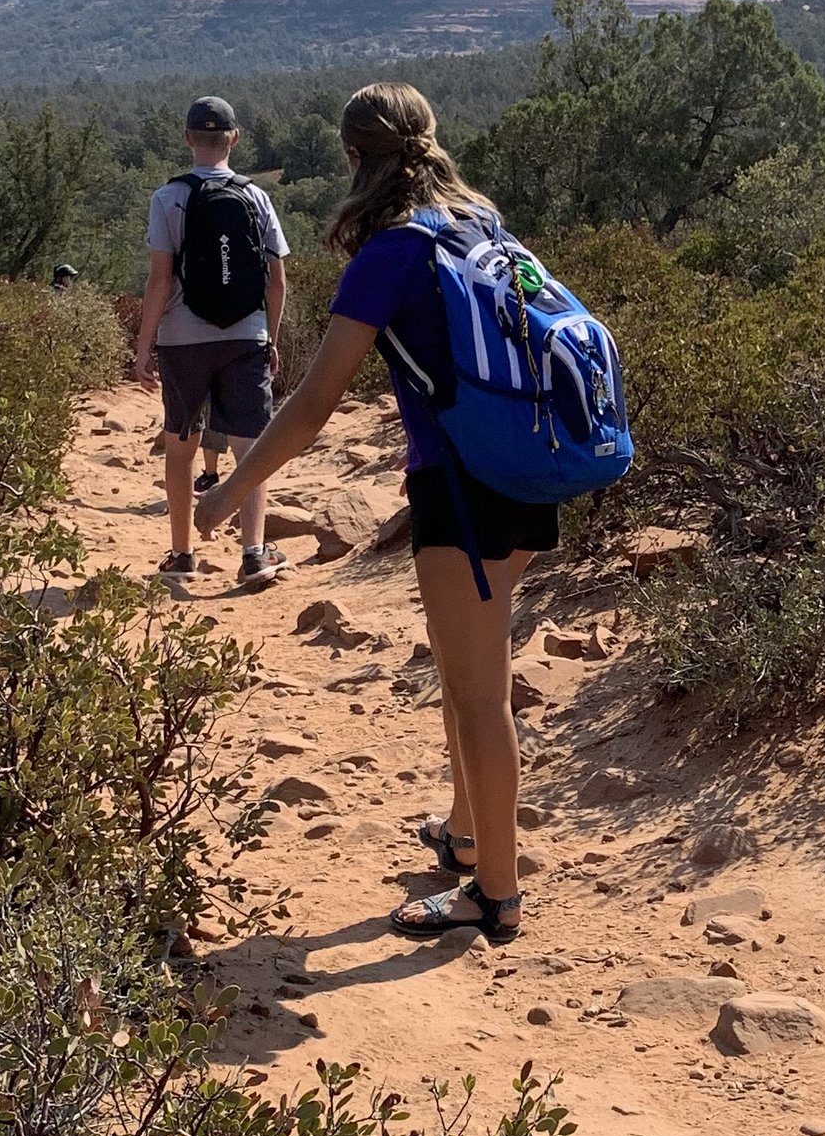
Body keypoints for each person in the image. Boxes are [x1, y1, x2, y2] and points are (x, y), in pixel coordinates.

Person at [196, 82, 543, 943]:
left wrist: (231, 493)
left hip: (461, 488)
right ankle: (466, 836)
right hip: (520, 473)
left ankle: (494, 894)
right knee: (471, 674)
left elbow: (313, 403)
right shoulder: (482, 222)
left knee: (478, 692)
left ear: (355, 156)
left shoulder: (389, 253)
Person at [129, 95, 291, 588]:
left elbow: (159, 280)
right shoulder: (256, 197)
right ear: (234, 140)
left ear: (187, 139)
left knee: (181, 445)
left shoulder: (167, 198)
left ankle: (182, 554)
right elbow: (277, 280)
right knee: (251, 447)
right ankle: (254, 553)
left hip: (182, 340)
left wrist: (143, 345)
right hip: (244, 335)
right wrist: (271, 336)